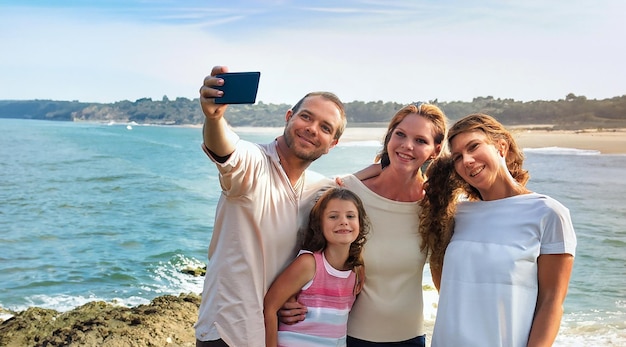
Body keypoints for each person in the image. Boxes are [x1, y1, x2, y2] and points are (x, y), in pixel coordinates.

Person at [194, 65, 347, 347]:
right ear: (289, 118)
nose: (312, 129)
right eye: (306, 117)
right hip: (228, 331)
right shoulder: (253, 163)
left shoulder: (320, 190)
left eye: (325, 128)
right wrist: (214, 118)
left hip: (276, 333)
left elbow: (357, 186)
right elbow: (225, 149)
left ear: (332, 144)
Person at [280, 102, 448, 347]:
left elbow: (445, 273)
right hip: (347, 337)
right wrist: (286, 297)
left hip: (410, 338)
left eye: (420, 140)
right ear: (389, 137)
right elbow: (307, 251)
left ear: (436, 150)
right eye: (400, 134)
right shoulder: (348, 193)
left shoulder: (435, 207)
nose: (407, 145)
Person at [420, 113, 577, 347]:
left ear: (501, 146)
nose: (468, 160)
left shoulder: (548, 213)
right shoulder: (455, 215)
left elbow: (551, 302)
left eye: (474, 147)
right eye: (458, 157)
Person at [264, 187, 371, 347]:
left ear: (360, 224)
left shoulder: (356, 271)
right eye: (333, 216)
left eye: (350, 216)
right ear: (319, 224)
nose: (343, 221)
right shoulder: (309, 264)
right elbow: (270, 307)